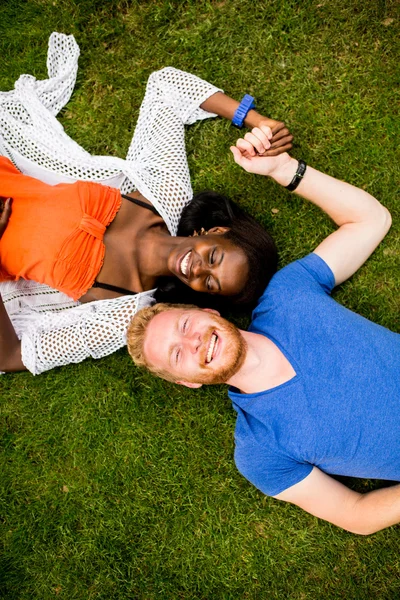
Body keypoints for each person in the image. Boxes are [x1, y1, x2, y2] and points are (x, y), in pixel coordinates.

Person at [127, 131, 400, 535]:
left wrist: (284, 169)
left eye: (185, 327)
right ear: (187, 382)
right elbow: (355, 514)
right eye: (177, 354)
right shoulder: (259, 453)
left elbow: (371, 220)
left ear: (205, 312)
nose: (193, 342)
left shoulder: (287, 295)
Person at [0, 32, 292, 375]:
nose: (199, 269)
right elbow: (165, 89)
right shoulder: (165, 193)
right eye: (214, 257)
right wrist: (257, 121)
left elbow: (10, 357)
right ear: (215, 230)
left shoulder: (123, 315)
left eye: (210, 283)